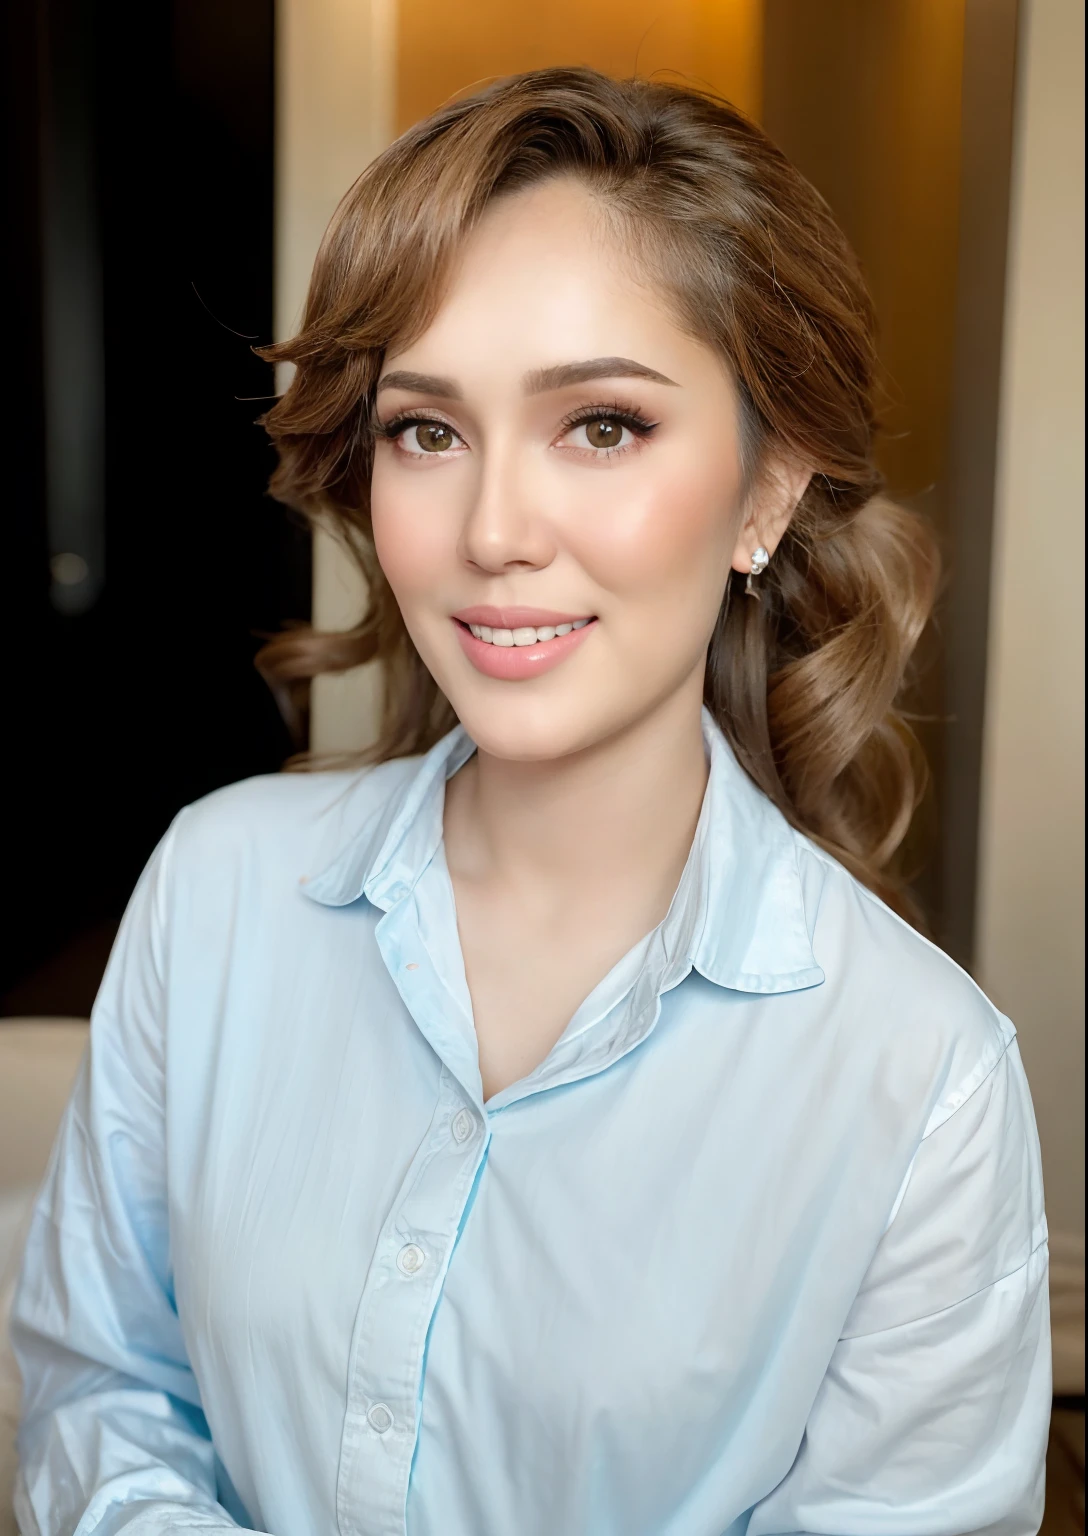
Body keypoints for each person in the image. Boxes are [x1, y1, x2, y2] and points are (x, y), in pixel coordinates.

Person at [12, 69, 1049, 1536]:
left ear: (766, 495)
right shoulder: (216, 887)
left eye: (603, 427)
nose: (494, 532)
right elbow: (100, 1379)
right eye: (428, 431)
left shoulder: (920, 1082)